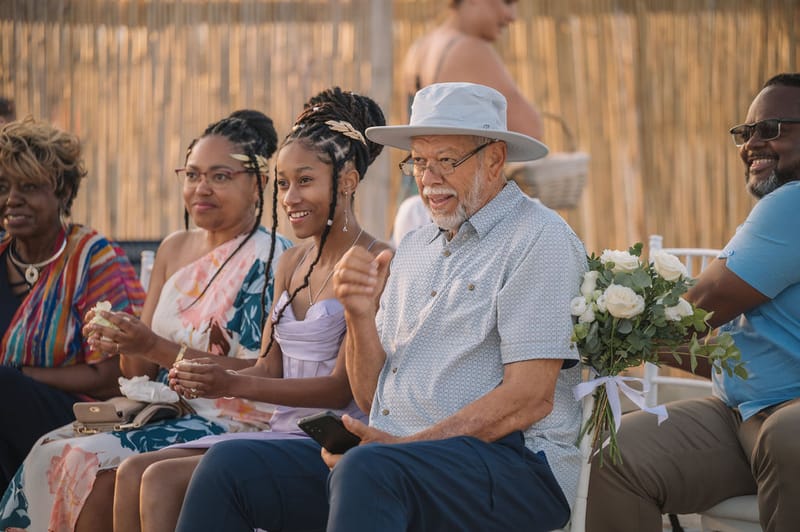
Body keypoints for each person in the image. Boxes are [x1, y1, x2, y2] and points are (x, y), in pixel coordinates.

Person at [175, 82, 587, 532]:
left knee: (368, 470)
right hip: (395, 459)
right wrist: (359, 314)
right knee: (229, 465)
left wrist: (402, 447)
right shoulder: (414, 247)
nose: (428, 178)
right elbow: (373, 398)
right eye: (419, 162)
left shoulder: (538, 239)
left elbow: (527, 399)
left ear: (494, 159)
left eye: (446, 161)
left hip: (512, 466)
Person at [112, 87, 390, 532]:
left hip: (331, 442)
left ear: (348, 181)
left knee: (163, 479)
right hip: (279, 431)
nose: (290, 198)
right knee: (132, 473)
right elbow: (269, 367)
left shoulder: (372, 261)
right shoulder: (291, 264)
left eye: (305, 181)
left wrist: (229, 383)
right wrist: (212, 377)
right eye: (282, 183)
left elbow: (342, 391)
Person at [0, 110, 292, 532]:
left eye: (220, 176)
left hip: (233, 418)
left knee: (90, 462)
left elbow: (262, 372)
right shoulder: (174, 248)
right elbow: (133, 372)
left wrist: (150, 344)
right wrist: (125, 340)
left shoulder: (273, 258)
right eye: (191, 175)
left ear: (258, 184)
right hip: (158, 409)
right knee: (51, 449)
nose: (201, 188)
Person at [586, 73, 800, 532]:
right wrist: (610, 338)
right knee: (620, 454)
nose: (751, 145)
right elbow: (743, 351)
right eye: (745, 134)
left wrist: (607, 318)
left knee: (789, 435)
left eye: (771, 129)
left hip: (787, 425)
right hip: (741, 416)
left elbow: (699, 305)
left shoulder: (794, 204)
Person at [0, 117, 145, 493]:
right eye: (3, 187)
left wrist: (17, 376)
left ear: (62, 193)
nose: (12, 199)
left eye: (29, 187)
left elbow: (111, 376)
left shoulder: (90, 259)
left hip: (80, 415)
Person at [392, 0, 544, 245]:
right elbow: (530, 129)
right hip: (459, 212)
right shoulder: (469, 49)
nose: (511, 16)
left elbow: (415, 136)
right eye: (507, 2)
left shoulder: (420, 48)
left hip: (417, 208)